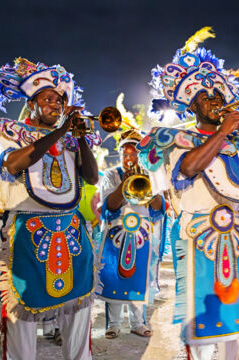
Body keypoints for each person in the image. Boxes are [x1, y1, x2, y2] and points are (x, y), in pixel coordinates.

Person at [139, 29, 239, 359]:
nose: (215, 100)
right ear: (191, 104)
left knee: (237, 319)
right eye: (206, 96)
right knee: (202, 322)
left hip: (237, 232)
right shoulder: (176, 137)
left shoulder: (238, 137)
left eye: (218, 95)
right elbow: (188, 168)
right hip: (196, 234)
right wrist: (223, 131)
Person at [0, 57, 100, 360]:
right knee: (22, 314)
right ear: (32, 104)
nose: (56, 104)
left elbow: (91, 176)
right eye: (48, 99)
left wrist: (79, 138)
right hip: (28, 233)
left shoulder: (72, 139)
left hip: (72, 231)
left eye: (60, 100)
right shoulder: (11, 133)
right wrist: (62, 131)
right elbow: (14, 165)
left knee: (78, 311)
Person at [97, 129, 164, 339]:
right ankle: (114, 324)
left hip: (141, 233)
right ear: (120, 155)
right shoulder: (110, 174)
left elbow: (160, 206)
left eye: (134, 154)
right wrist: (125, 183)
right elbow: (110, 205)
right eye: (125, 155)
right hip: (115, 231)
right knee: (114, 277)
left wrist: (148, 184)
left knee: (138, 277)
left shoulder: (150, 174)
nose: (129, 158)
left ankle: (138, 322)